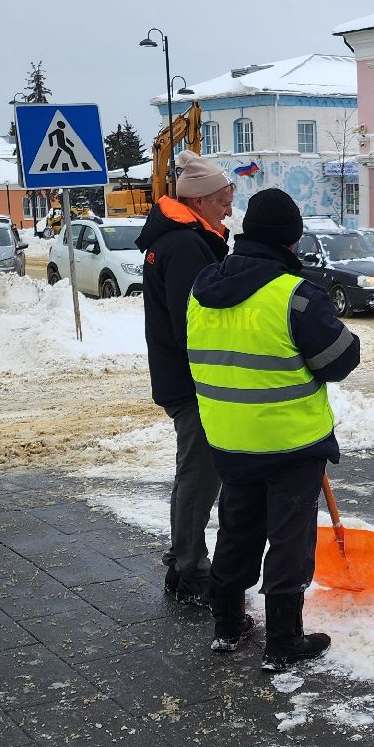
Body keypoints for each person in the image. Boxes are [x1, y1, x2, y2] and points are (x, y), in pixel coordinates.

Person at [187, 188, 361, 670]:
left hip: (228, 436)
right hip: (289, 441)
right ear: (290, 239)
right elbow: (339, 360)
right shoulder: (294, 295)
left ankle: (226, 625)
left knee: (237, 527)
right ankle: (284, 640)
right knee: (289, 535)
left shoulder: (204, 287)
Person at [137, 150, 236, 606]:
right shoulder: (183, 247)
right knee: (200, 476)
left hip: (183, 377)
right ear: (198, 202)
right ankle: (193, 572)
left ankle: (183, 561)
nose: (229, 210)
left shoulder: (185, 240)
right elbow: (191, 324)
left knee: (195, 475)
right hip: (191, 382)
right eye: (222, 201)